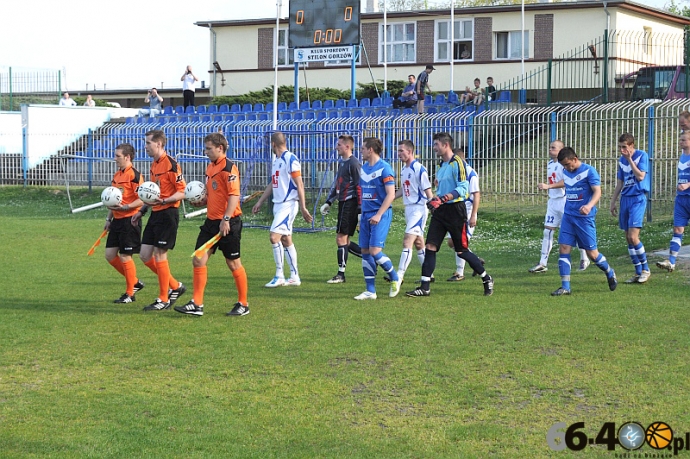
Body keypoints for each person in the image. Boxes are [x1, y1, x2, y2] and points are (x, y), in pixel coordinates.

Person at [406, 132, 494, 297]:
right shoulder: (441, 166)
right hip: (441, 211)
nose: (434, 148)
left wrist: (444, 198)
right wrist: (435, 201)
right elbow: (441, 190)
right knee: (430, 247)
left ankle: (486, 278)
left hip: (456, 211)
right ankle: (425, 287)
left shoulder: (458, 163)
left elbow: (463, 189)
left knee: (461, 250)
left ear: (445, 145)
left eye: (436, 144)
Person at [175, 133, 250, 317]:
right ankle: (197, 304)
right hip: (211, 222)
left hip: (228, 222)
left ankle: (243, 304)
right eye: (206, 148)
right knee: (198, 259)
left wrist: (226, 219)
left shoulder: (229, 168)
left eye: (209, 148)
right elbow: (214, 194)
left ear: (220, 148)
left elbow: (233, 196)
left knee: (233, 263)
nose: (206, 151)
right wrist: (203, 202)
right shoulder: (210, 167)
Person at [131, 129, 187, 310]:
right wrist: (143, 209)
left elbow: (182, 192)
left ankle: (163, 299)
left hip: (168, 214)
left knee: (160, 254)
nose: (145, 146)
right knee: (145, 255)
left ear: (159, 144)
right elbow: (153, 191)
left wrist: (164, 200)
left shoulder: (171, 164)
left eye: (148, 143)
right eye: (145, 142)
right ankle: (176, 286)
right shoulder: (154, 165)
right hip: (155, 213)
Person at [551, 147, 617, 296]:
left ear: (575, 159)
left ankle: (609, 271)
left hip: (584, 219)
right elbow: (567, 181)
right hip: (568, 215)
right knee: (564, 248)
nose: (566, 168)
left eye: (568, 164)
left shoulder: (589, 171)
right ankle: (565, 287)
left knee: (592, 254)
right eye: (564, 166)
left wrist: (589, 205)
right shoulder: (566, 172)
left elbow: (597, 191)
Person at [252, 132, 313, 287]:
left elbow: (300, 184)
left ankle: (279, 275)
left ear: (273, 144)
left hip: (288, 205)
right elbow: (273, 184)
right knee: (286, 239)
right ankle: (294, 276)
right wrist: (260, 201)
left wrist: (304, 207)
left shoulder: (290, 159)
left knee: (274, 237)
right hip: (278, 205)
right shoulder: (277, 161)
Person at [529, 140, 589, 274]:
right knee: (547, 231)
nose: (550, 150)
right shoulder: (550, 164)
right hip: (553, 202)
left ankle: (584, 258)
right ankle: (542, 263)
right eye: (550, 147)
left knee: (574, 230)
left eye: (553, 148)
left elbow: (566, 181)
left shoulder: (565, 166)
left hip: (564, 201)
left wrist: (549, 186)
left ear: (561, 150)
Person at [355, 137, 400, 300]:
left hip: (380, 213)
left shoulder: (385, 168)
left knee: (375, 251)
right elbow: (362, 195)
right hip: (366, 214)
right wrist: (361, 217)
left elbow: (391, 194)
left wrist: (379, 214)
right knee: (365, 251)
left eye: (363, 148)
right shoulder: (364, 168)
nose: (361, 151)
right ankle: (370, 291)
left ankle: (395, 278)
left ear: (371, 150)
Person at [104, 143, 145, 304]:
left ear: (127, 157)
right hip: (117, 220)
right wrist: (109, 219)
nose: (115, 159)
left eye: (118, 156)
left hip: (130, 220)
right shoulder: (117, 175)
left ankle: (130, 293)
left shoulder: (135, 176)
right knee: (109, 255)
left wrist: (127, 207)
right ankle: (134, 281)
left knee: (125, 256)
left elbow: (142, 199)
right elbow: (112, 199)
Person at [320, 134, 362, 283]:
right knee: (345, 241)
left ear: (347, 146)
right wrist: (329, 201)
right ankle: (371, 258)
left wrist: (360, 210)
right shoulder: (342, 163)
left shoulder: (354, 164)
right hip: (343, 204)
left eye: (339, 145)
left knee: (341, 238)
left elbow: (359, 187)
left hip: (350, 204)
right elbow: (338, 185)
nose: (336, 147)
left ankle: (341, 275)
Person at [609, 133, 651, 283]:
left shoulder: (642, 156)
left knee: (634, 237)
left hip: (638, 198)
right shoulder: (621, 160)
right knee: (628, 238)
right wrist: (613, 201)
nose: (621, 150)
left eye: (624, 147)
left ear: (632, 145)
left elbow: (640, 176)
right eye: (620, 147)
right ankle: (637, 272)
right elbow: (620, 182)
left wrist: (630, 160)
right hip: (625, 199)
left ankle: (646, 269)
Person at [392, 140, 432, 284]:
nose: (399, 154)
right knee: (419, 243)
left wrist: (433, 205)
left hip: (419, 209)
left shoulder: (419, 168)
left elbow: (428, 190)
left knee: (407, 240)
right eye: (398, 151)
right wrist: (390, 198)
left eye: (401, 151)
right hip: (408, 209)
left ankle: (399, 276)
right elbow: (403, 189)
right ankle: (429, 274)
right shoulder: (404, 170)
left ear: (410, 151)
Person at [446, 147, 483, 281]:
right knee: (451, 242)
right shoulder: (453, 170)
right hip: (455, 210)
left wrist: (473, 215)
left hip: (466, 211)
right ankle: (475, 261)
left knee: (459, 242)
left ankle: (459, 272)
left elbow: (476, 196)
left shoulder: (470, 173)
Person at [657, 132, 690, 273]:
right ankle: (671, 262)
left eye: (683, 140)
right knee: (677, 230)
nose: (680, 142)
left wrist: (687, 185)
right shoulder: (682, 156)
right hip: (681, 199)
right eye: (680, 139)